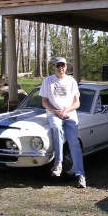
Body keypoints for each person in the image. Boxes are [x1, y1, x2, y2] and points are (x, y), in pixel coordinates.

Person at [39, 57, 86, 188]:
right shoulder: (48, 81)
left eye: (63, 66)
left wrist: (66, 111)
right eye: (58, 65)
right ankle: (58, 163)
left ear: (66, 67)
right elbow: (44, 102)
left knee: (74, 144)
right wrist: (57, 111)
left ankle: (80, 175)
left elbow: (77, 103)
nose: (61, 68)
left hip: (69, 114)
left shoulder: (71, 81)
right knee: (57, 129)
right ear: (54, 67)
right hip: (53, 114)